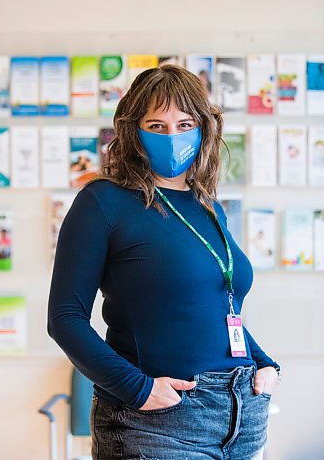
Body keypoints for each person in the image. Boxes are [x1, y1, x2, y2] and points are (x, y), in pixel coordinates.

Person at [47, 64, 281, 460]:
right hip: (156, 425)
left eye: (185, 123)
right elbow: (64, 317)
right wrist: (137, 388)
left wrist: (265, 364)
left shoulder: (208, 206)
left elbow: (220, 309)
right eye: (156, 125)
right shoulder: (103, 201)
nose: (172, 137)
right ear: (132, 130)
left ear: (204, 128)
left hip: (243, 413)